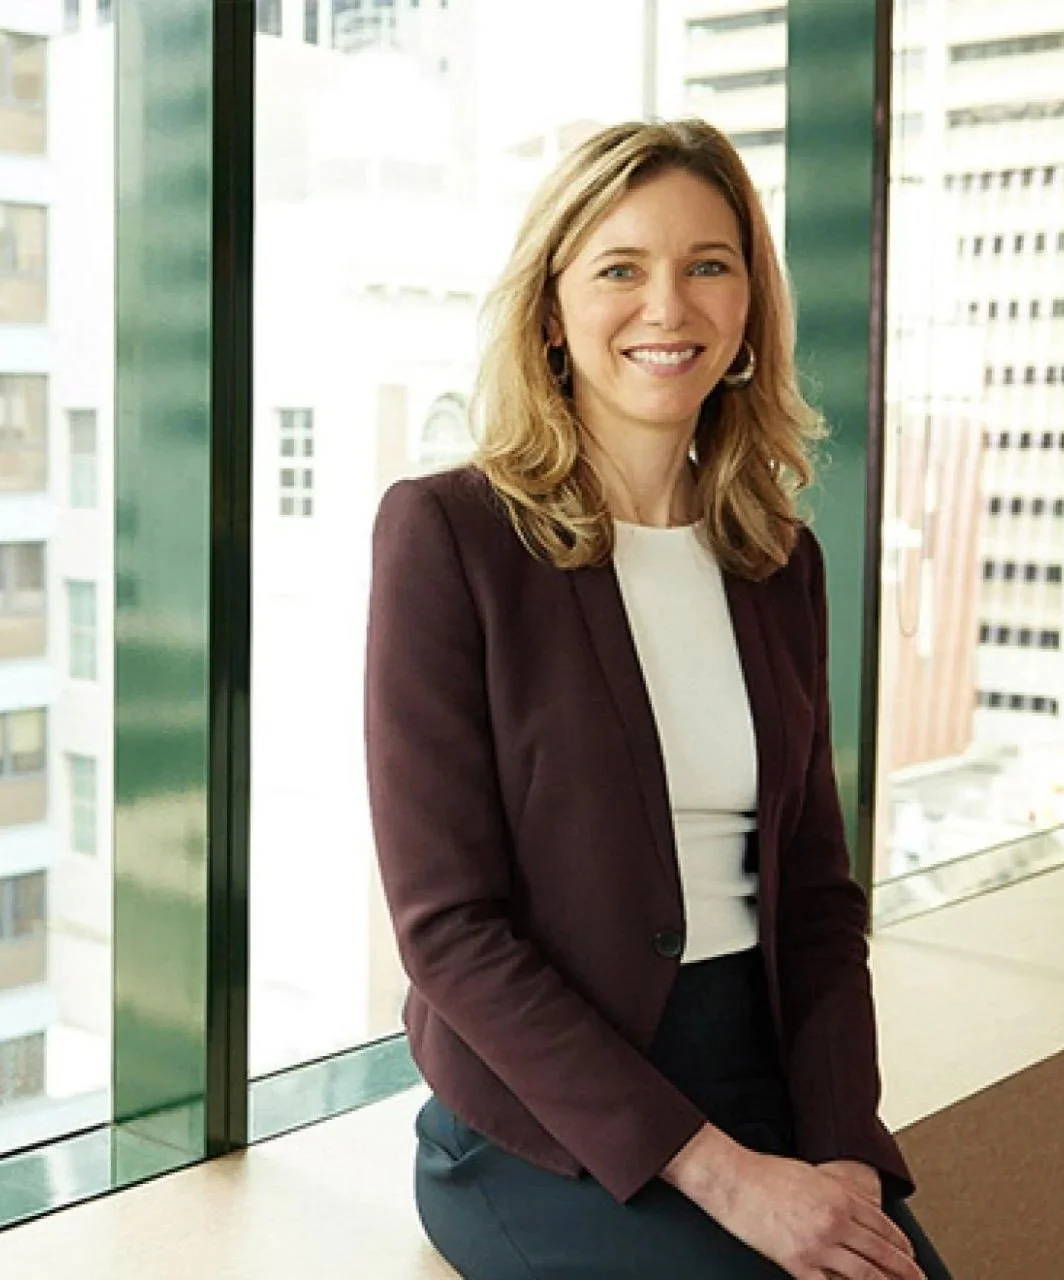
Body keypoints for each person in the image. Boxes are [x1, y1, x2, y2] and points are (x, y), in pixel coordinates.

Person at [365, 118, 952, 1280]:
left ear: (746, 310)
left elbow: (817, 893)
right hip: (546, 1120)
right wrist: (731, 1179)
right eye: (620, 268)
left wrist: (842, 1152)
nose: (666, 306)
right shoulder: (450, 537)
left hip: (768, 1074)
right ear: (551, 308)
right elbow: (446, 927)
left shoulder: (777, 560)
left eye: (708, 265)